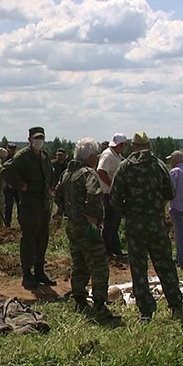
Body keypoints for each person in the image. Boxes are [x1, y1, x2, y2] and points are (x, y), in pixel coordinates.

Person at [110, 132, 183, 320]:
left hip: (135, 226)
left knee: (138, 267)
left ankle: (146, 310)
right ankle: (175, 305)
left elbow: (115, 198)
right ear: (148, 145)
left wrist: (129, 211)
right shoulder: (158, 165)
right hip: (156, 224)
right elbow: (170, 192)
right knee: (165, 265)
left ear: (133, 146)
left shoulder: (125, 166)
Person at [54, 138, 120, 323]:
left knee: (79, 263)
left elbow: (57, 195)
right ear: (91, 157)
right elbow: (94, 194)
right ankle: (100, 304)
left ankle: (80, 299)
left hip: (73, 226)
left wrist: (69, 211)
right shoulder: (87, 174)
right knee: (99, 265)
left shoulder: (67, 173)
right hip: (87, 227)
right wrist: (93, 216)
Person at [2, 127, 56, 289]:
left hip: (43, 204)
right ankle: (27, 273)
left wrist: (49, 188)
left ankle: (39, 271)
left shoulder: (45, 157)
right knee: (29, 239)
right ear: (30, 139)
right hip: (29, 205)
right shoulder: (22, 157)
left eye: (41, 138)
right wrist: (21, 186)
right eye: (36, 138)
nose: (39, 141)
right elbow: (6, 171)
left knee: (42, 238)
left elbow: (49, 176)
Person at [97, 133, 127, 256]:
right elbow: (101, 171)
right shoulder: (108, 155)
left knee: (114, 223)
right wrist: (113, 186)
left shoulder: (116, 155)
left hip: (113, 194)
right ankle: (107, 250)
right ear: (120, 145)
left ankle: (115, 249)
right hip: (108, 194)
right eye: (124, 145)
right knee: (109, 223)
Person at [3, 143, 20, 225]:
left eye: (13, 150)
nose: (11, 152)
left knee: (20, 204)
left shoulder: (17, 159)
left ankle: (21, 221)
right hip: (7, 186)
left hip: (16, 185)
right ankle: (7, 223)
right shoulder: (3, 159)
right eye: (10, 150)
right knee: (8, 205)